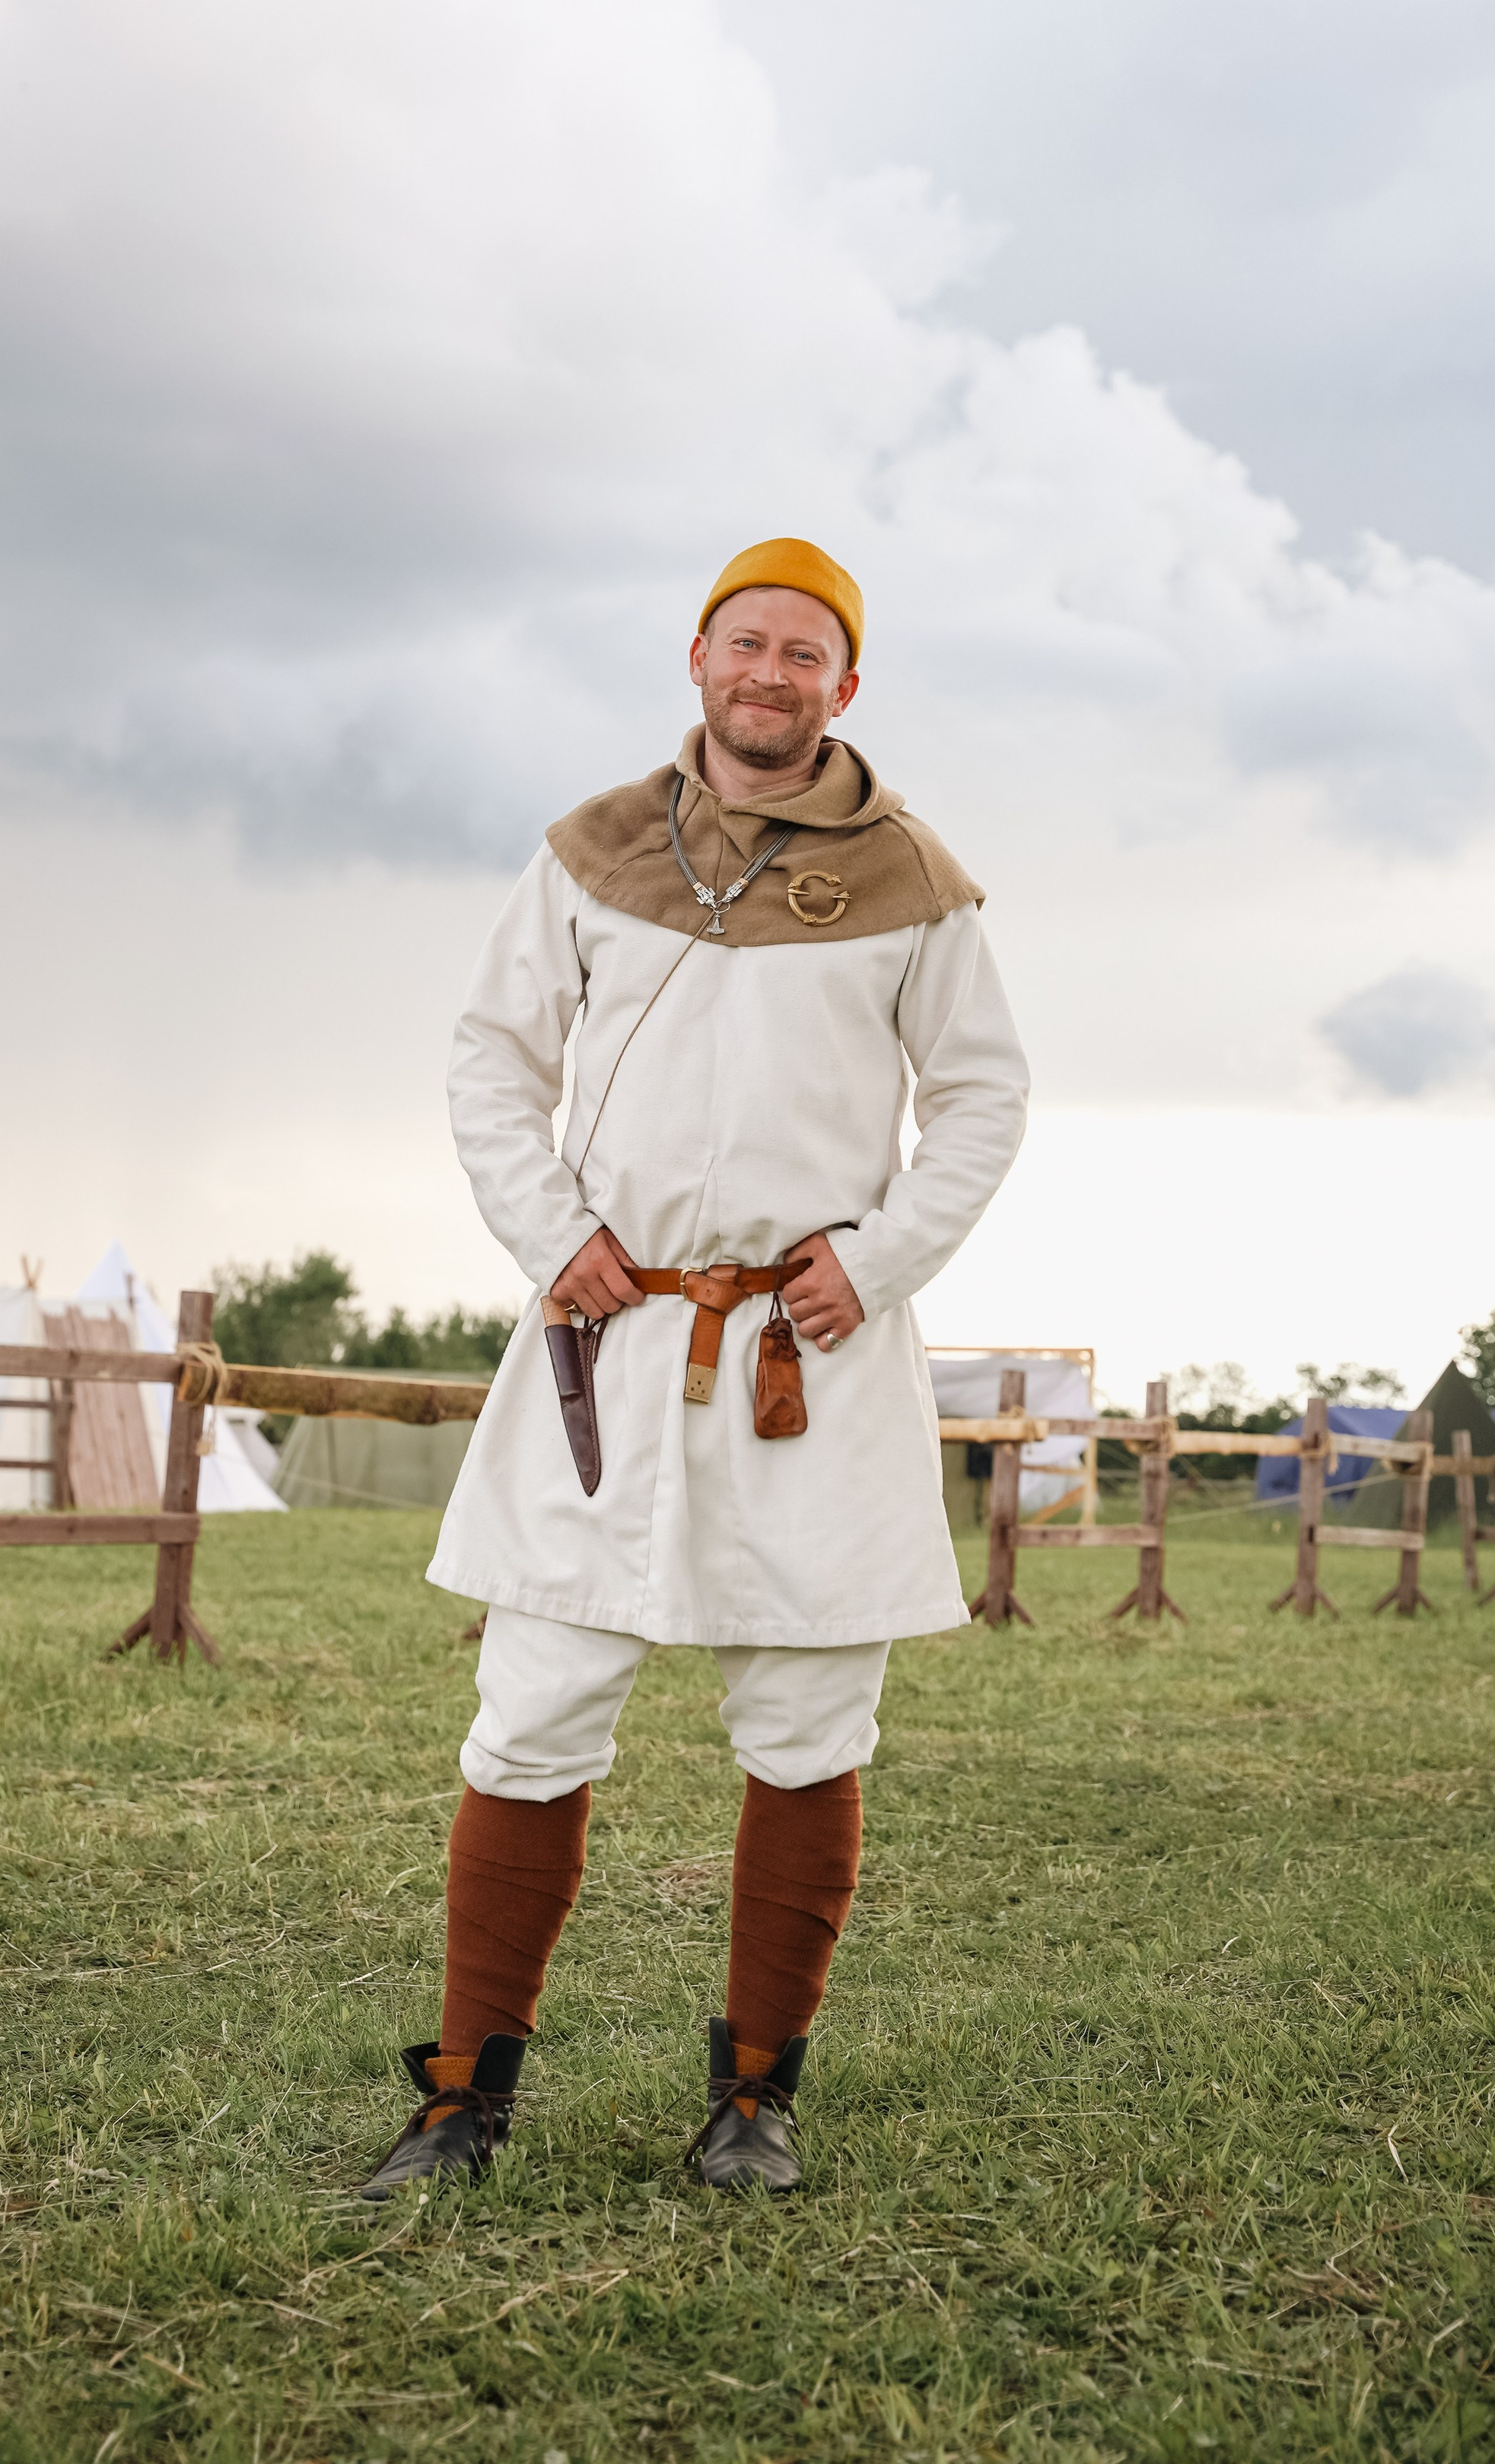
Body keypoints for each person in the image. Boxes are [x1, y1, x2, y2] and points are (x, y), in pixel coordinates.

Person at [358, 537, 1029, 2200]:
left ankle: (751, 2104)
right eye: (748, 645)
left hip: (802, 1357)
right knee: (529, 1719)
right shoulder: (588, 853)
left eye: (805, 653)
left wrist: (866, 1267)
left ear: (843, 685)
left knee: (803, 1723)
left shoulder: (911, 881)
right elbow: (490, 1058)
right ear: (698, 659)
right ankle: (461, 2103)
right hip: (608, 1332)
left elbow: (983, 1098)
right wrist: (546, 1232)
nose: (770, 674)